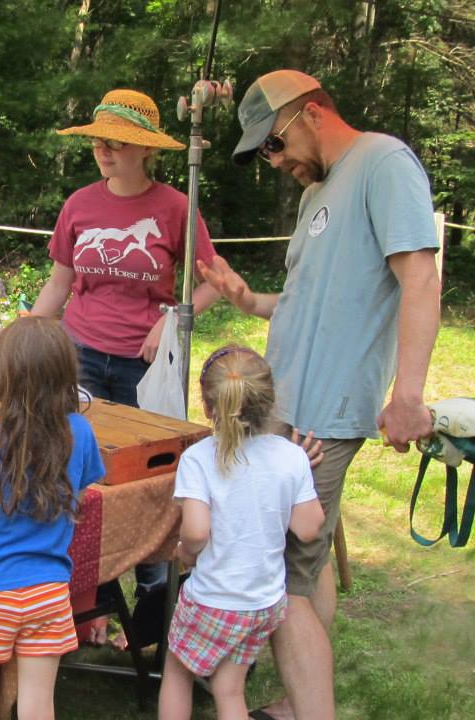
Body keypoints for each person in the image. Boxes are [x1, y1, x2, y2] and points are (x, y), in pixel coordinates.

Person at [198, 69, 441, 720]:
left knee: (285, 573)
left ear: (310, 112)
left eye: (274, 144)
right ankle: (293, 699)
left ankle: (310, 710)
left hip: (326, 411)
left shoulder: (384, 162)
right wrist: (252, 302)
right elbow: (313, 298)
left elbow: (418, 278)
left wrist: (408, 395)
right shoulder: (317, 195)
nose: (274, 162)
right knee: (310, 555)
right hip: (285, 402)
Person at [31, 87, 221, 643]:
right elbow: (60, 283)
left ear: (145, 151)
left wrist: (172, 320)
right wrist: (23, 332)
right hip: (81, 357)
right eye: (98, 143)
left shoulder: (176, 208)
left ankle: (152, 608)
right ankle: (83, 605)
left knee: (150, 479)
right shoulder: (80, 205)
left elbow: (213, 281)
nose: (105, 153)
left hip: (147, 368)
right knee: (80, 477)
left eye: (117, 144)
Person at [157, 345, 325, 720]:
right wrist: (299, 475)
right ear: (269, 400)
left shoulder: (198, 459)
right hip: (263, 604)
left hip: (214, 600)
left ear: (208, 407)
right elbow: (309, 527)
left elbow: (197, 532)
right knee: (228, 688)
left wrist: (184, 551)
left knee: (178, 672)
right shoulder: (291, 456)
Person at [0, 315, 106, 720]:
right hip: (47, 589)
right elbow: (84, 487)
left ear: (1, 370)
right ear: (64, 374)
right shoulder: (80, 432)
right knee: (39, 704)